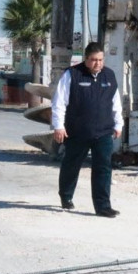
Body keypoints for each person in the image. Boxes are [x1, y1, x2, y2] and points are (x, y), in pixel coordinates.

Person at [51, 42, 123, 218]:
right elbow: (59, 102)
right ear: (86, 59)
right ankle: (66, 195)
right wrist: (58, 126)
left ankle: (103, 206)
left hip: (103, 132)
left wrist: (118, 123)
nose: (97, 63)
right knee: (71, 165)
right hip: (77, 131)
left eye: (100, 60)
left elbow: (115, 102)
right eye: (93, 60)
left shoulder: (109, 75)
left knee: (103, 168)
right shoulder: (72, 74)